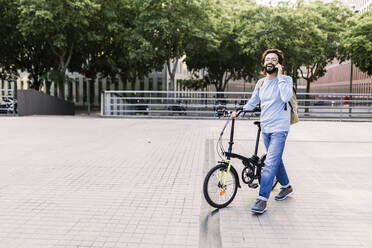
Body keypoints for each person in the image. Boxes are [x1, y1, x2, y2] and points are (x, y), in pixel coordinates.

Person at [231, 49, 294, 214]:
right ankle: (286, 187)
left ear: (279, 63)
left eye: (274, 59)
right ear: (264, 63)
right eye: (267, 59)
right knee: (276, 160)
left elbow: (286, 97)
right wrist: (239, 111)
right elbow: (252, 103)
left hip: (280, 128)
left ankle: (262, 199)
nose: (270, 62)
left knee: (270, 163)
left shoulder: (286, 80)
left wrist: (279, 76)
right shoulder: (261, 83)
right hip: (265, 127)